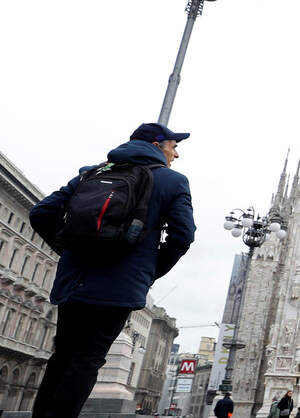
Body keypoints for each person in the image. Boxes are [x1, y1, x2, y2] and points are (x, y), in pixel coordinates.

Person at [29, 122, 196, 418]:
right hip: (119, 289)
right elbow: (182, 236)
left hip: (74, 283)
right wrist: (148, 272)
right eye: (174, 146)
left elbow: (41, 213)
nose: (177, 154)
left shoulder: (93, 173)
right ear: (157, 145)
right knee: (86, 361)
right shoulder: (173, 181)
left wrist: (70, 254)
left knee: (62, 358)